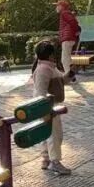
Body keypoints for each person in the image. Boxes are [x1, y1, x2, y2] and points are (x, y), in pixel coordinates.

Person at [31, 40, 74, 175]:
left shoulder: (51, 67)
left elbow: (62, 80)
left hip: (50, 106)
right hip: (47, 107)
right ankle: (54, 162)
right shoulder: (43, 69)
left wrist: (71, 73)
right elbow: (40, 92)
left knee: (47, 134)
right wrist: (45, 110)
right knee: (54, 135)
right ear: (50, 54)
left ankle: (46, 159)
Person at [56, 0, 81, 81]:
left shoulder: (64, 13)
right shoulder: (66, 13)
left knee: (64, 59)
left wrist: (77, 30)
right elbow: (74, 21)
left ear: (61, 6)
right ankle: (71, 76)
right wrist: (77, 30)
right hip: (69, 38)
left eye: (57, 5)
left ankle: (69, 76)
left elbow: (73, 21)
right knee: (68, 59)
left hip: (67, 38)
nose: (56, 7)